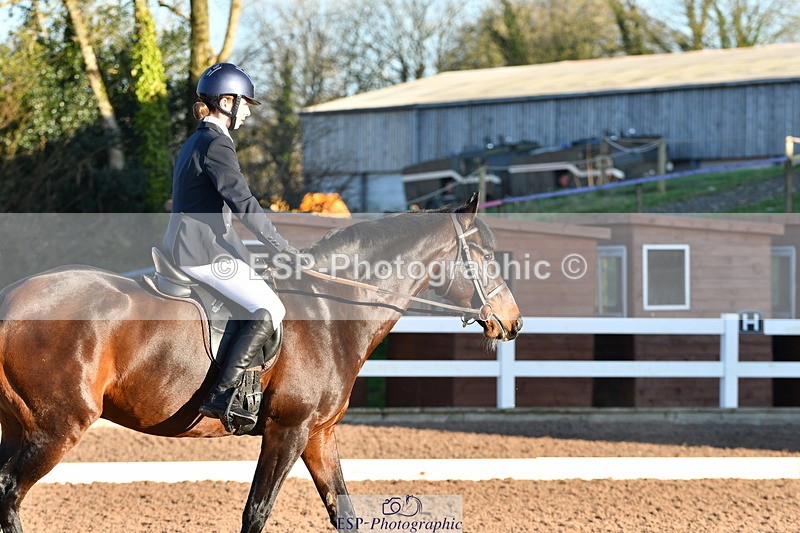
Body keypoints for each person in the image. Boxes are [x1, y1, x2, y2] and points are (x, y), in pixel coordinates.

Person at [163, 62, 300, 429]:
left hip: (192, 245)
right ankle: (222, 394)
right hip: (200, 252)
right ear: (227, 101)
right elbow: (243, 204)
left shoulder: (196, 140)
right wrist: (280, 247)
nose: (247, 117)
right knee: (270, 306)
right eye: (245, 106)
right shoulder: (216, 143)